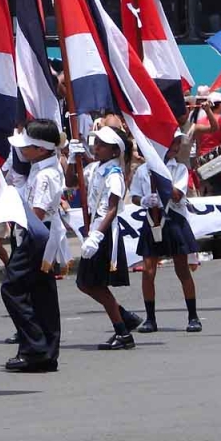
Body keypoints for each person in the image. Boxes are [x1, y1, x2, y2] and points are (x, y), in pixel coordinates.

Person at [69, 126, 143, 351]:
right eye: (96, 143)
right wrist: (73, 159)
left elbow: (112, 208)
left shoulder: (115, 174)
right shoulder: (94, 168)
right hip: (94, 228)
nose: (96, 147)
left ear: (114, 151)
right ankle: (123, 318)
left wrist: (97, 235)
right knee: (87, 283)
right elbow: (71, 181)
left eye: (101, 145)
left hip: (104, 231)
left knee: (92, 283)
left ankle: (122, 331)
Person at [1, 121, 65, 372]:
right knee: (41, 292)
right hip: (42, 232)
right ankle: (46, 350)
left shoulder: (44, 174)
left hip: (36, 233)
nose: (22, 150)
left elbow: (36, 213)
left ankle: (34, 347)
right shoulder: (43, 168)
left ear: (40, 149)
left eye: (27, 146)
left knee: (12, 287)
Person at [136, 129, 203, 334]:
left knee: (181, 269)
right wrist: (145, 200)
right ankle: (150, 318)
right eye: (172, 142)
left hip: (173, 220)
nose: (176, 146)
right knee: (148, 271)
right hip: (151, 218)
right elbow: (135, 196)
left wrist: (161, 177)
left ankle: (193, 316)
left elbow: (176, 195)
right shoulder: (142, 170)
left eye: (177, 142)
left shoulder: (179, 169)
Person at [195, 91, 221, 157]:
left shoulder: (199, 121)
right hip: (217, 157)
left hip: (202, 157)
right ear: (220, 105)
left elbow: (198, 146)